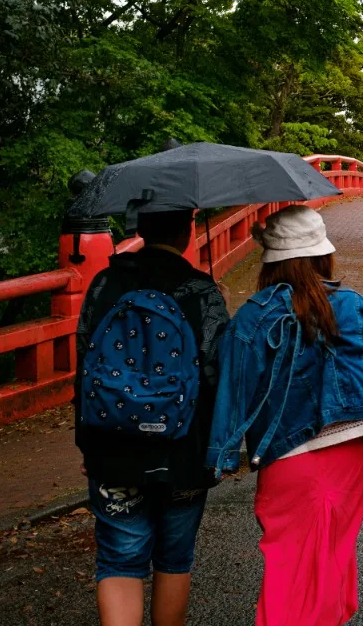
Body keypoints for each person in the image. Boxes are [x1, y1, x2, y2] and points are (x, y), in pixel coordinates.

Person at [206, 205, 363, 626]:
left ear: (271, 261)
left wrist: (220, 454)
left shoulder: (254, 317)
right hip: (354, 460)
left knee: (291, 580)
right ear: (324, 255)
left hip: (291, 463)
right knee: (331, 569)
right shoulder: (357, 308)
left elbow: (230, 392)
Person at [75, 208, 229, 626]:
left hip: (113, 445)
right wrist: (217, 449)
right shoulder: (201, 290)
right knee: (173, 558)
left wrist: (86, 441)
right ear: (189, 231)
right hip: (183, 452)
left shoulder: (105, 283)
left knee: (120, 560)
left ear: (140, 230)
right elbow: (218, 378)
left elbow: (85, 367)